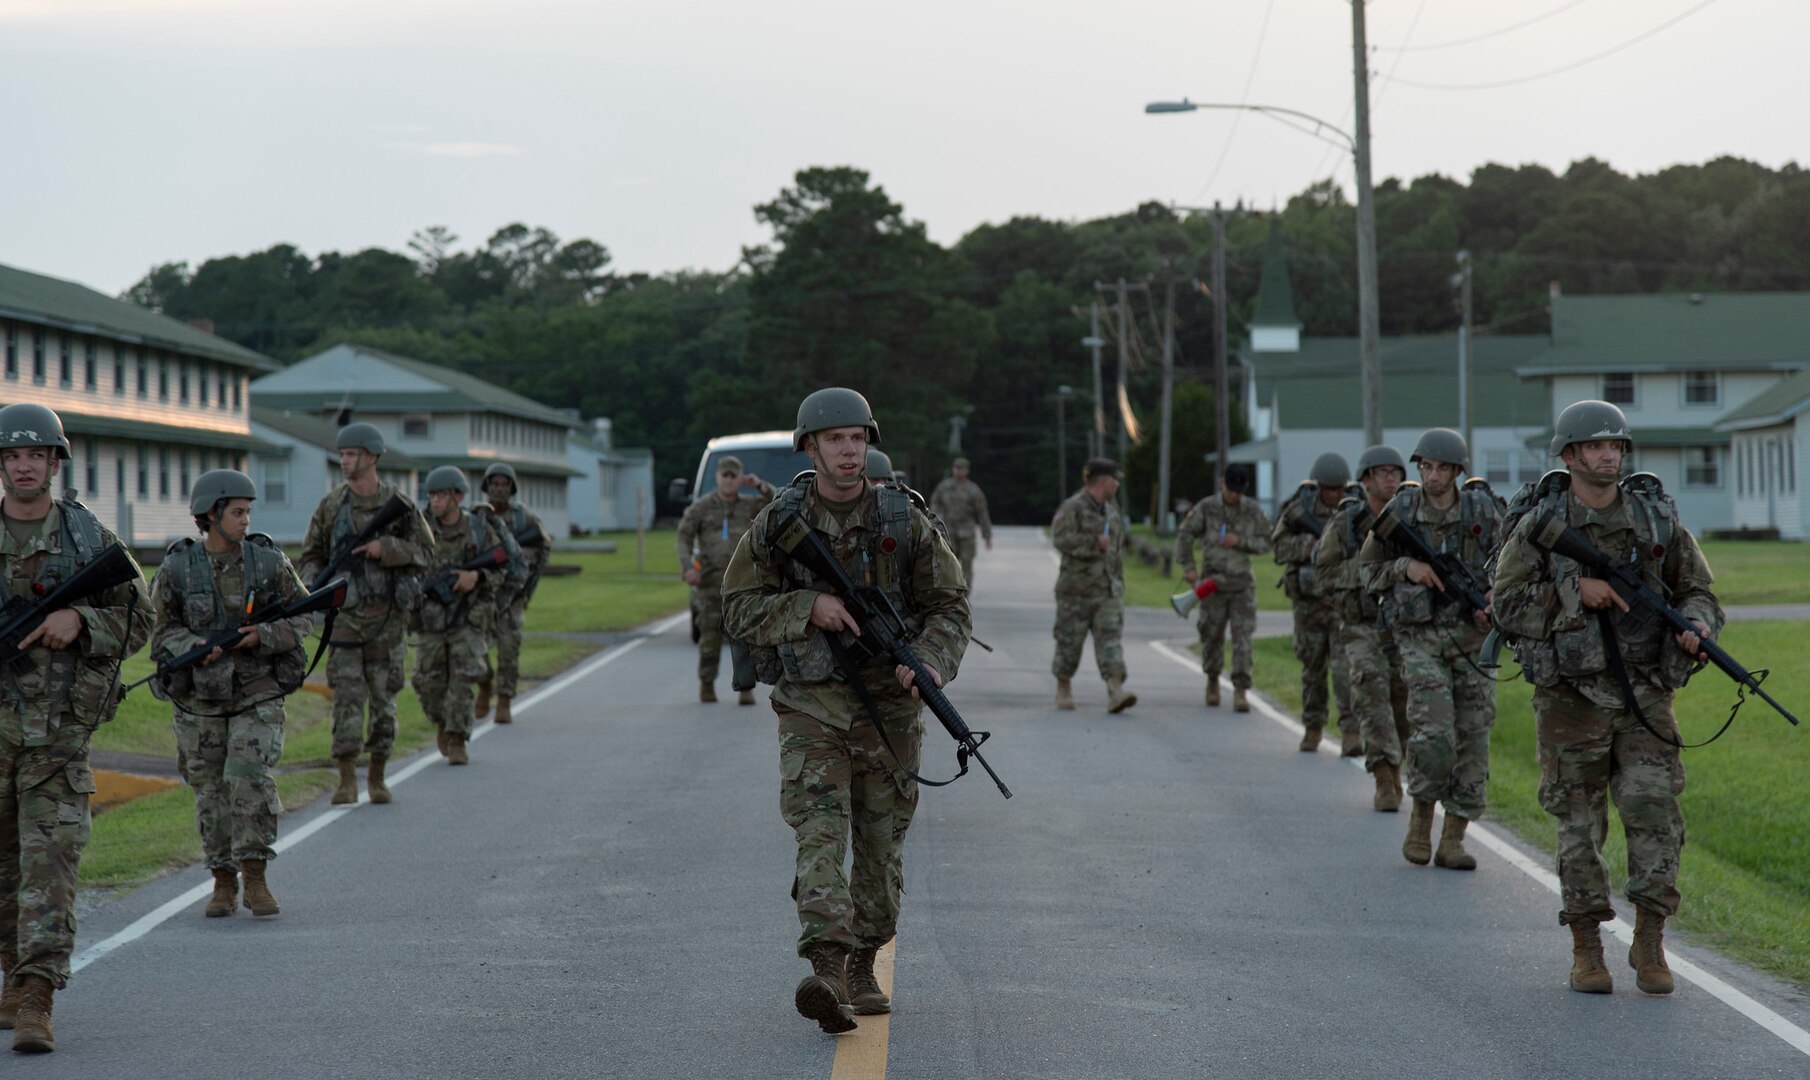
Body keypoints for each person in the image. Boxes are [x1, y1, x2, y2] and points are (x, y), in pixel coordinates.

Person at [721, 387, 970, 1035]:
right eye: (835, 439)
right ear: (810, 446)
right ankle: (826, 966)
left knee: (882, 843)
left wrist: (930, 660)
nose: (849, 450)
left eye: (858, 438)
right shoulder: (778, 524)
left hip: (889, 707)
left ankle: (864, 959)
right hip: (812, 703)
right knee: (820, 830)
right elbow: (738, 608)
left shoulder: (902, 520)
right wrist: (809, 608)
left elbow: (950, 605)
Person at [1491, 400, 1720, 996]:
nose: (1608, 454)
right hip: (1571, 700)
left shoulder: (1654, 520)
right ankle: (1587, 947)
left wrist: (1696, 628)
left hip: (1645, 694)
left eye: (1615, 446)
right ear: (1569, 456)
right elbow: (1506, 605)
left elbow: (1697, 590)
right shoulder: (1539, 524)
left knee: (1656, 816)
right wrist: (1574, 590)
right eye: (1594, 446)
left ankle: (1649, 942)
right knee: (1578, 826)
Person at [0, 404, 150, 1054]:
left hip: (59, 739)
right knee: (6, 871)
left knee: (51, 866)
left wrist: (84, 622)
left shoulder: (87, 538)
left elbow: (141, 621)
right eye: (13, 455)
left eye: (37, 455)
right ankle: (14, 974)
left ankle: (38, 997)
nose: (25, 464)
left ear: (55, 464)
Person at [151, 470, 314, 921]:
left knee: (248, 778)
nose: (245, 520)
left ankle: (256, 876)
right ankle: (222, 881)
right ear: (211, 514)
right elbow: (160, 630)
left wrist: (260, 635)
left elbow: (305, 616)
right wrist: (193, 650)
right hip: (199, 698)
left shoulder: (268, 563)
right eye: (237, 512)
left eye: (248, 512)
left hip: (257, 690)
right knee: (210, 790)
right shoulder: (177, 569)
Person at [1357, 428, 1503, 871]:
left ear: (1458, 471)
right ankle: (1421, 822)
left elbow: (1511, 564)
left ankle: (1454, 838)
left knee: (1474, 737)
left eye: (1441, 468)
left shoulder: (1482, 511)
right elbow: (1368, 571)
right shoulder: (1401, 510)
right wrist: (1407, 566)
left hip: (1473, 640)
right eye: (1426, 467)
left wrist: (1496, 598)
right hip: (1419, 637)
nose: (1433, 476)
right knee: (1435, 731)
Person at [298, 423, 432, 805]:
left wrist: (386, 548)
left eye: (352, 454)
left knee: (384, 703)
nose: (344, 461)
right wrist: (316, 587)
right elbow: (311, 556)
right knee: (347, 703)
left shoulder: (400, 506)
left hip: (387, 624)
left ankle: (377, 776)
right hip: (344, 624)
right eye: (342, 455)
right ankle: (345, 779)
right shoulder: (331, 506)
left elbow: (426, 553)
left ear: (372, 456)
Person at [1315, 446, 1411, 810]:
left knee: (1404, 702)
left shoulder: (1412, 518)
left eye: (1395, 472)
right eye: (1381, 472)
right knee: (1371, 693)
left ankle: (1397, 763)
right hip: (1360, 626)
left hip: (1403, 627)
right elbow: (1323, 574)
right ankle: (1384, 777)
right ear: (1366, 479)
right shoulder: (1346, 523)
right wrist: (1373, 569)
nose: (1390, 479)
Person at [414, 467, 510, 765]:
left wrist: (476, 576)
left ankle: (458, 739)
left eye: (441, 494)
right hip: (429, 618)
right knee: (427, 682)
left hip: (468, 618)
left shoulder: (478, 530)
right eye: (431, 495)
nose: (435, 501)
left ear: (458, 496)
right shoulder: (418, 528)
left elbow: (503, 566)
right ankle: (442, 722)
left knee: (462, 678)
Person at [1271, 452, 1355, 752]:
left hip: (1343, 602)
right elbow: (1278, 547)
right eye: (1328, 489)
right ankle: (1313, 726)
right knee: (1312, 668)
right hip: (1308, 603)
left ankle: (1350, 732)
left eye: (1338, 489)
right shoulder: (1298, 510)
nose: (1333, 495)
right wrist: (1309, 545)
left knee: (1345, 669)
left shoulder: (1354, 510)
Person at [677, 455, 775, 705]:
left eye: (734, 476)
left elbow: (776, 503)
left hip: (743, 583)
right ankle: (707, 683)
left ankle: (745, 687)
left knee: (744, 637)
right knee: (709, 637)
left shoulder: (750, 505)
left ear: (740, 478)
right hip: (710, 582)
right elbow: (684, 537)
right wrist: (688, 567)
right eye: (725, 475)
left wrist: (760, 485)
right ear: (718, 477)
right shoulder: (702, 507)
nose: (729, 480)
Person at [1174, 464, 1272, 712]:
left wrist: (1240, 542)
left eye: (1238, 492)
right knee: (1211, 635)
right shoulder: (1206, 508)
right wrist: (1188, 567)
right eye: (1230, 490)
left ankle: (1241, 690)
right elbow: (1185, 535)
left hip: (1242, 584)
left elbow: (1268, 541)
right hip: (1212, 584)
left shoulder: (1252, 511)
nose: (1233, 496)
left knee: (1242, 639)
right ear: (1222, 484)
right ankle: (1212, 681)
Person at [1051, 459, 1135, 713]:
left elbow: (1115, 550)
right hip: (1075, 592)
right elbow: (1060, 539)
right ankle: (1063, 687)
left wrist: (1118, 582)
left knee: (1111, 640)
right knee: (1069, 644)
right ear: (1102, 481)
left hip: (1107, 590)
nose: (1118, 483)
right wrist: (1092, 544)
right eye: (1114, 479)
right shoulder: (1072, 507)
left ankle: (1115, 690)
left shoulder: (1111, 510)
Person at [474, 462, 550, 725]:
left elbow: (543, 546)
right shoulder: (477, 517)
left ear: (512, 488)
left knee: (509, 649)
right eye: (494, 484)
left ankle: (504, 700)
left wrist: (528, 584)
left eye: (504, 484)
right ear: (486, 486)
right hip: (483, 596)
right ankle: (485, 684)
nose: (498, 489)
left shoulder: (523, 519)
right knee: (474, 649)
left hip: (513, 598)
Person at [929, 456, 992, 588]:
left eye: (961, 468)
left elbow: (982, 512)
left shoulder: (973, 490)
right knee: (947, 564)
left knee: (967, 565)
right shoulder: (944, 487)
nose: (958, 471)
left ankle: (965, 595)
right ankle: (950, 594)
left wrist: (987, 535)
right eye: (956, 468)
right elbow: (935, 505)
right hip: (948, 531)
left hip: (966, 532)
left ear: (967, 470)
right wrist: (934, 525)